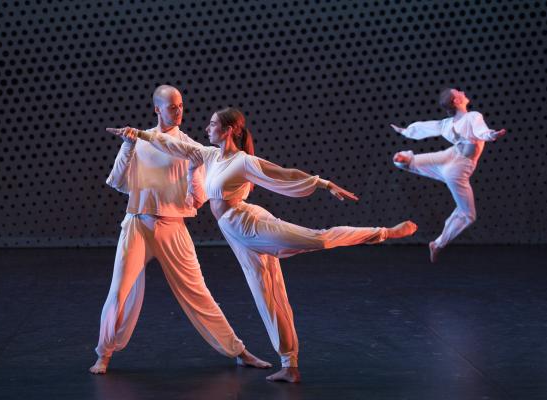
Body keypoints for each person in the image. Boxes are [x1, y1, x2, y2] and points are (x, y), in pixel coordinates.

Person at [107, 107, 417, 382]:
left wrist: (322, 183)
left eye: (213, 124)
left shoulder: (244, 162)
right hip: (235, 235)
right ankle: (290, 365)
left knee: (317, 238)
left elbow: (283, 173)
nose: (206, 128)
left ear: (229, 130)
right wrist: (139, 135)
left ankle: (383, 232)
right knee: (267, 295)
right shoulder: (210, 155)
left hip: (250, 224)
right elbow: (173, 145)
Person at [90, 86, 270, 374]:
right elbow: (118, 182)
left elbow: (197, 200)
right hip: (137, 224)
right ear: (157, 109)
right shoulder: (140, 140)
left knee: (198, 292)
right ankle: (104, 354)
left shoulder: (189, 147)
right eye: (172, 107)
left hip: (173, 227)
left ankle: (239, 350)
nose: (178, 111)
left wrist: (192, 171)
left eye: (181, 106)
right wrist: (127, 145)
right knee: (119, 291)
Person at [391, 88, 506, 262]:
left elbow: (427, 127)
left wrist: (406, 131)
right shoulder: (473, 116)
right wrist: (491, 135)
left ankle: (404, 160)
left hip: (450, 157)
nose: (462, 92)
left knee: (423, 162)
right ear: (456, 101)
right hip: (457, 169)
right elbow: (480, 131)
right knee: (468, 214)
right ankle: (438, 244)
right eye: (458, 92)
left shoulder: (447, 124)